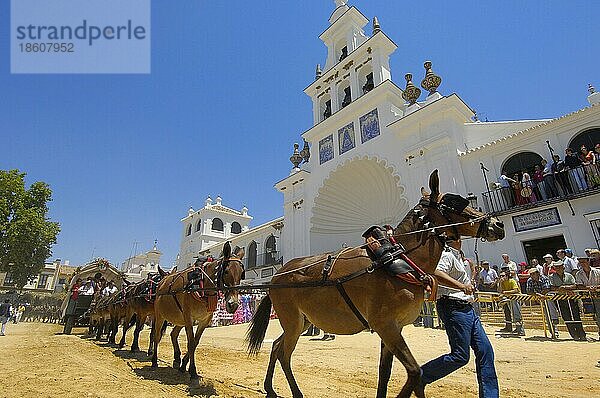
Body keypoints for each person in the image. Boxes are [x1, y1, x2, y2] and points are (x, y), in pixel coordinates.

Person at [420, 240, 499, 397]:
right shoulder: (446, 255)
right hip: (453, 306)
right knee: (460, 356)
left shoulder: (460, 259)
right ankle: (420, 375)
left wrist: (467, 285)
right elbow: (437, 273)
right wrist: (461, 286)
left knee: (486, 350)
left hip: (467, 309)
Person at [549, 261, 587, 341]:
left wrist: (565, 288)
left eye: (560, 267)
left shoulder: (569, 276)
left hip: (572, 299)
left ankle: (582, 334)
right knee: (566, 317)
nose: (558, 269)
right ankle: (574, 335)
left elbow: (574, 285)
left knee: (576, 316)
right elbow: (551, 287)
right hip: (560, 300)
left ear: (563, 267)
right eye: (557, 267)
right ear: (555, 269)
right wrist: (561, 289)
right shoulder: (552, 277)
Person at [525, 267, 559, 337]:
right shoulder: (530, 280)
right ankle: (553, 332)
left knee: (550, 309)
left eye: (533, 274)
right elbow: (529, 291)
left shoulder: (544, 278)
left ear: (538, 273)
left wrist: (541, 295)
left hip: (549, 298)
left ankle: (555, 324)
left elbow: (546, 289)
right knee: (547, 316)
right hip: (540, 299)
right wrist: (538, 295)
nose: (532, 276)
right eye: (531, 274)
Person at [574, 256, 600, 339]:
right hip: (587, 297)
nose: (582, 264)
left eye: (584, 262)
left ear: (588, 262)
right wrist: (588, 288)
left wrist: (596, 287)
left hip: (598, 295)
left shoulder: (597, 271)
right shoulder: (579, 273)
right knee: (593, 315)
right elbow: (579, 285)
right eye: (580, 262)